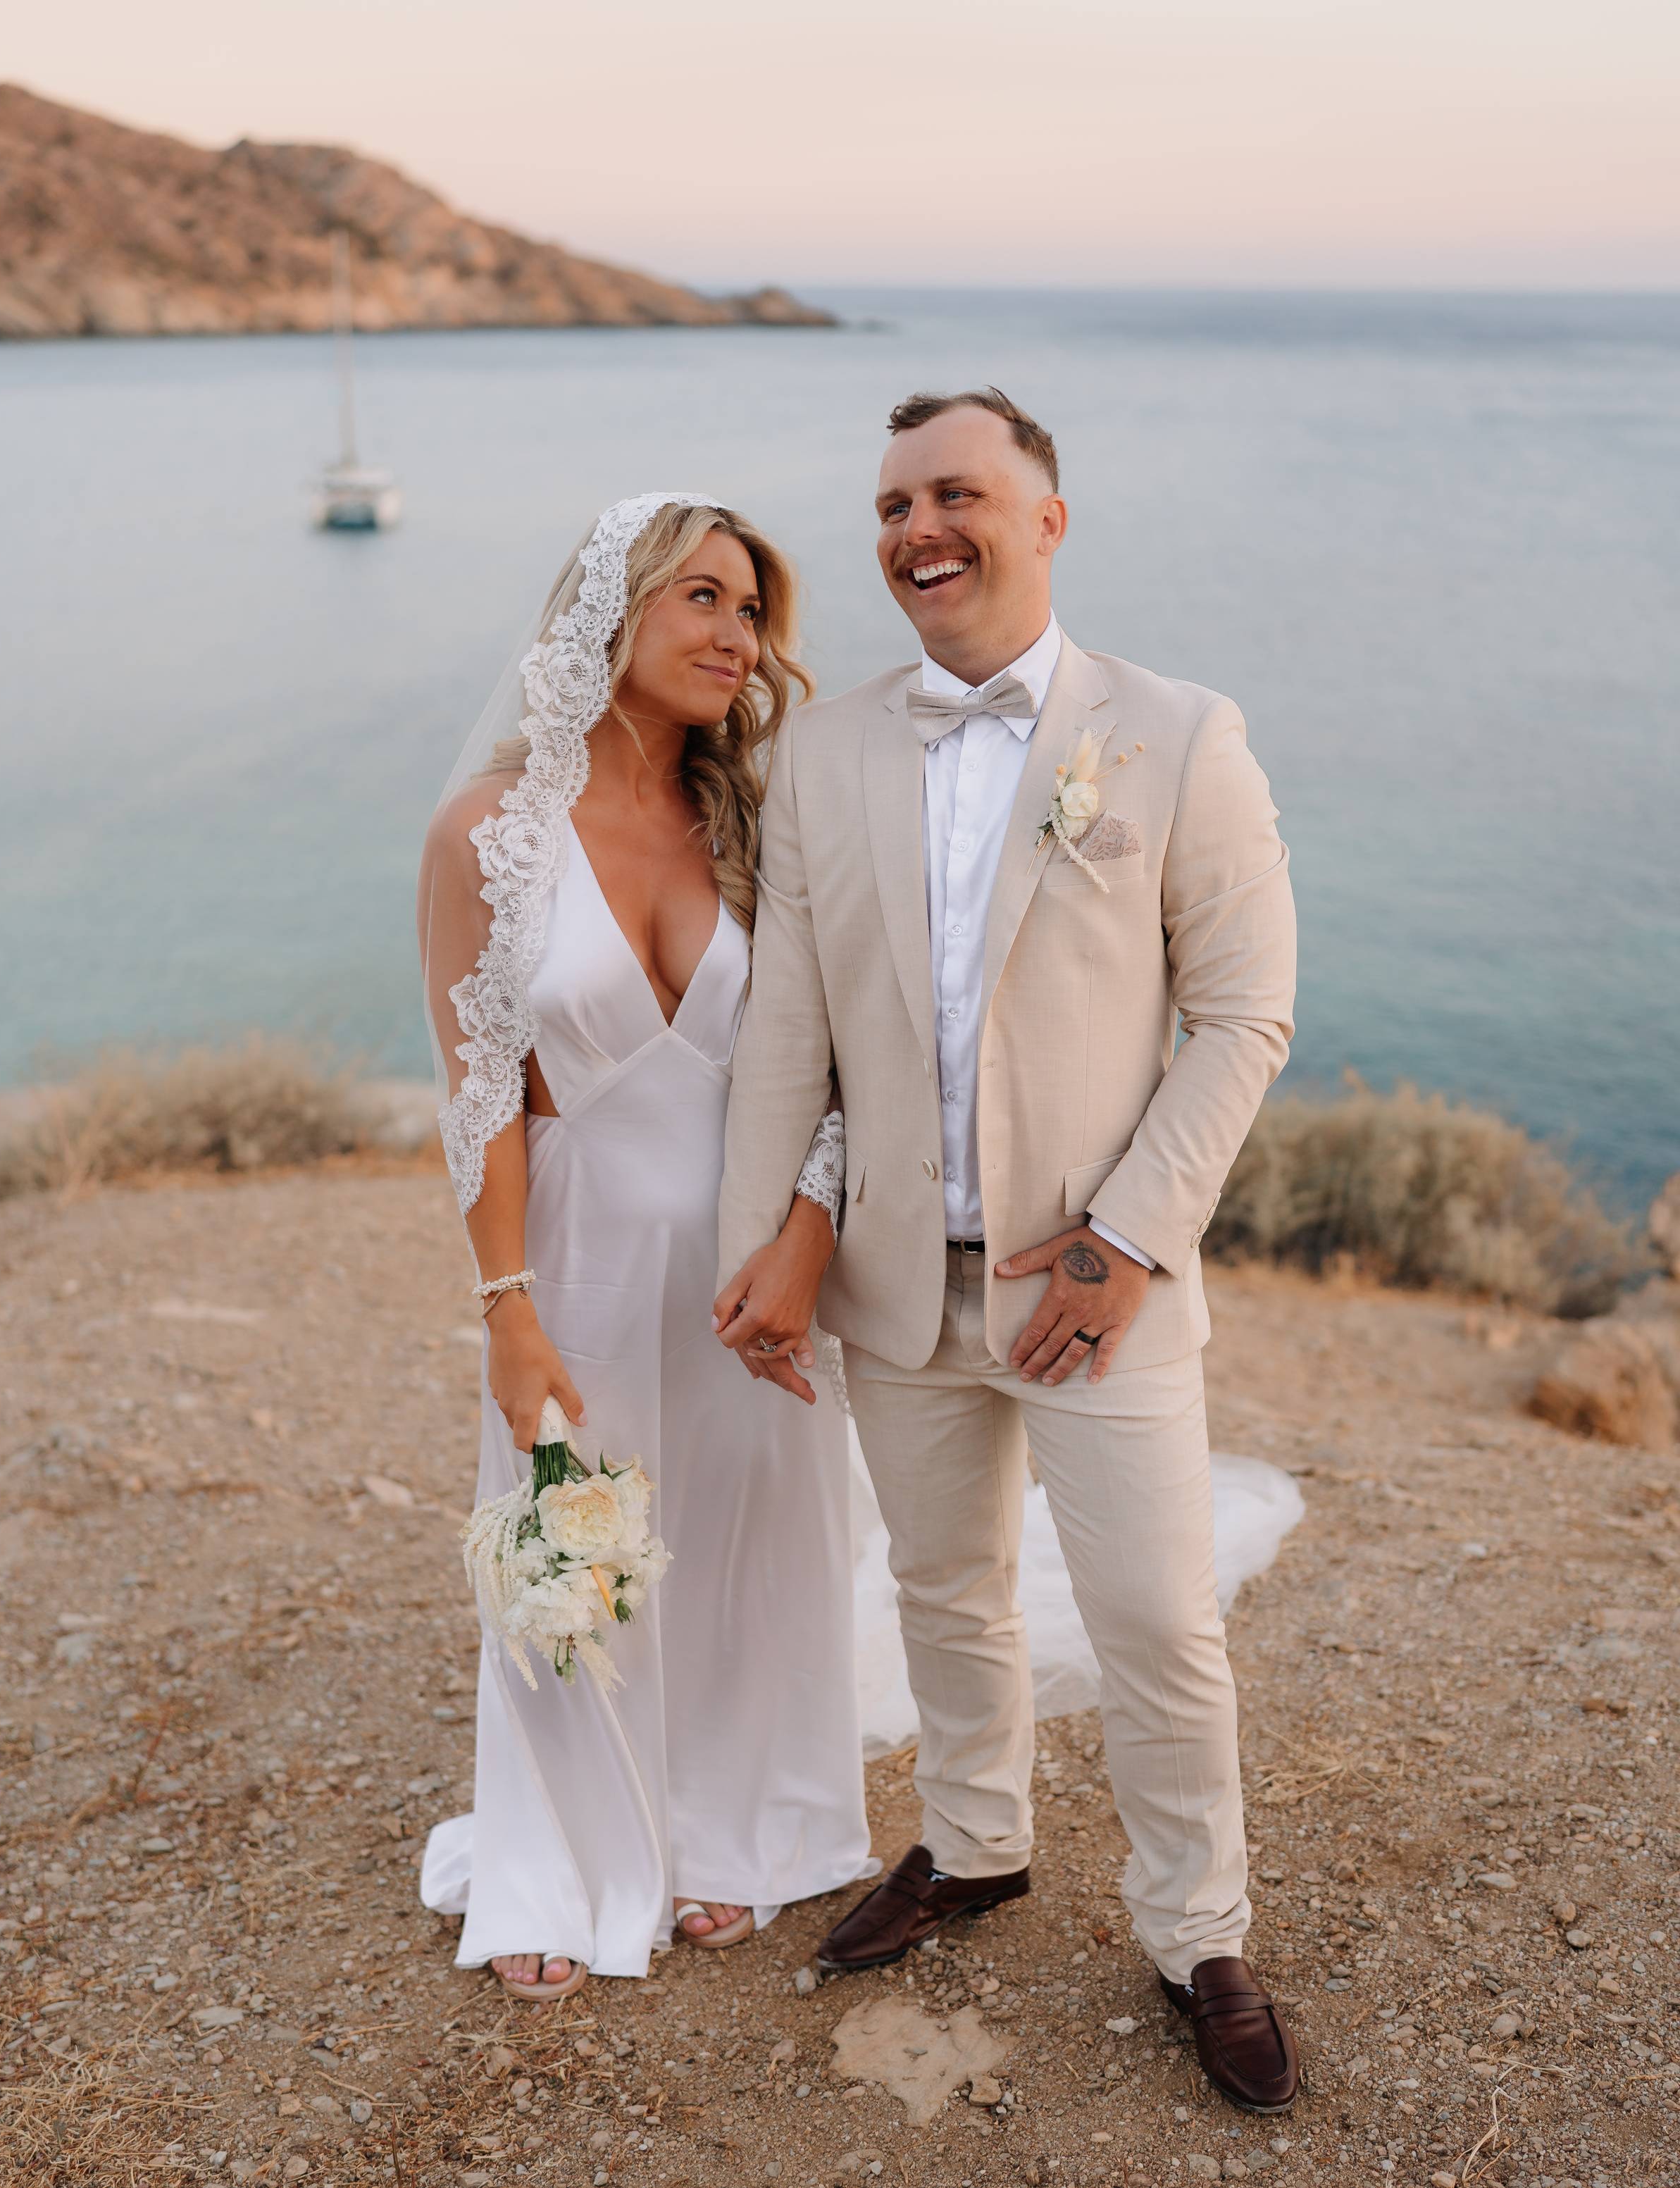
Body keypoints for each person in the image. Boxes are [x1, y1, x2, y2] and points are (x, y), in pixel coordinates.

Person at [716, 394, 1302, 2112]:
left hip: (1095, 1292)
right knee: (943, 1586)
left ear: (1047, 518)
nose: (918, 528)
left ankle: (1199, 1929)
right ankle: (975, 1841)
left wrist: (1126, 1241)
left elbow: (1244, 1014)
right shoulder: (824, 752)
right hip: (898, 1279)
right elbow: (789, 1030)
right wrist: (765, 1248)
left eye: (956, 492)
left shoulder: (1179, 734)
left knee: (1156, 1621)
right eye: (893, 503)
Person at [417, 493, 870, 2000]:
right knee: (574, 1544)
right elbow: (480, 1089)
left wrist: (805, 1239)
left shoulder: (765, 823)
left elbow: (838, 1064)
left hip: (757, 1263)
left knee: (749, 1540)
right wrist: (506, 1306)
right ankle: (557, 1854)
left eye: (753, 610)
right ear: (610, 613)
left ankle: (736, 1819)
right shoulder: (488, 834)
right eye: (704, 598)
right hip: (584, 1251)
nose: (739, 637)